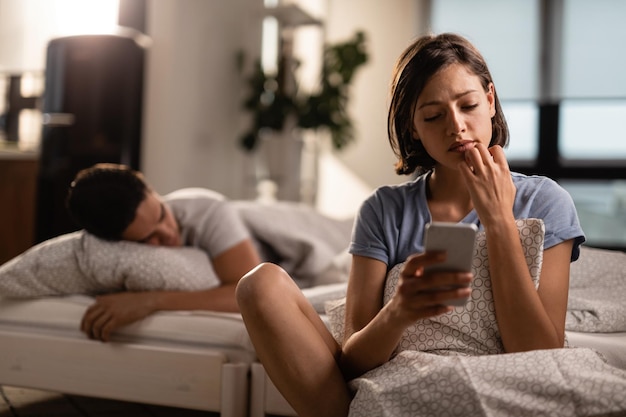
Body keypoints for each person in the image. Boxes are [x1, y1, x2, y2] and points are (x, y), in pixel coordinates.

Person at [235, 33, 592, 417]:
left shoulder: (546, 201)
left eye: (468, 105)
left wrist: (499, 221)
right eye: (434, 116)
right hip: (400, 379)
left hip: (498, 381)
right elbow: (351, 362)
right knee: (259, 283)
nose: (456, 127)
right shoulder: (383, 210)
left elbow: (542, 359)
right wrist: (399, 311)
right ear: (413, 128)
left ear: (490, 100)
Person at [66, 163, 262, 342]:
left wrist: (150, 301)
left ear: (151, 190)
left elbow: (250, 296)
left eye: (161, 213)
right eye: (147, 239)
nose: (168, 233)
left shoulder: (209, 212)